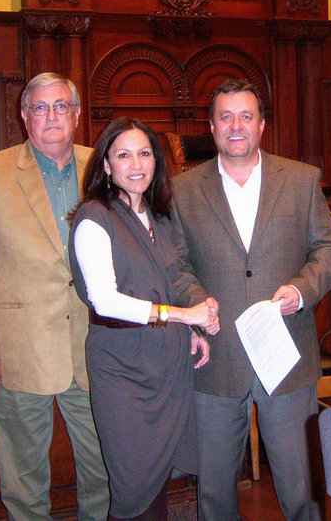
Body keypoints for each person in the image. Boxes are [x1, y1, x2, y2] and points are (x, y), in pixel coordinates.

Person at [170, 79, 331, 521]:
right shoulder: (182, 190)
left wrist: (303, 290)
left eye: (245, 116)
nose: (235, 126)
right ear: (211, 127)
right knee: (213, 491)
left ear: (262, 125)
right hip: (217, 357)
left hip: (286, 356)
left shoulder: (302, 180)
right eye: (225, 117)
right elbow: (177, 264)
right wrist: (196, 300)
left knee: (300, 486)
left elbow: (329, 250)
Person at [0, 73, 109, 521]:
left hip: (94, 350)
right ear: (24, 116)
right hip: (18, 352)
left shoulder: (105, 166)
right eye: (39, 108)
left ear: (78, 114)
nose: (51, 116)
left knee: (103, 472)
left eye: (61, 106)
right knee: (23, 482)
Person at [67, 117, 220, 520]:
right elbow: (105, 301)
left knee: (158, 484)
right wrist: (182, 315)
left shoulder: (159, 216)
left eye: (145, 153)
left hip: (166, 366)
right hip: (121, 368)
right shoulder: (93, 216)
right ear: (105, 165)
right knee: (133, 485)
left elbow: (173, 277)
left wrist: (193, 327)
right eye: (123, 155)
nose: (136, 164)